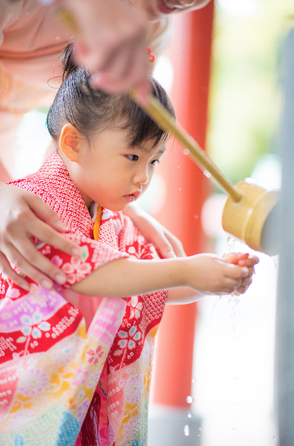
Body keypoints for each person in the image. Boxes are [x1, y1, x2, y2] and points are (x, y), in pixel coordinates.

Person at [0, 45, 258, 446]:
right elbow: (90, 272)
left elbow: (145, 284)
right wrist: (189, 269)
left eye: (154, 161)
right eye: (132, 156)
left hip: (75, 406)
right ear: (72, 144)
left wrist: (213, 277)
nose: (143, 177)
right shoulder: (35, 202)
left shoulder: (113, 221)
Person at [0, 0, 209, 295]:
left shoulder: (153, 27)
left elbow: (81, 132)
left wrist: (106, 195)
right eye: (134, 158)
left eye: (153, 162)